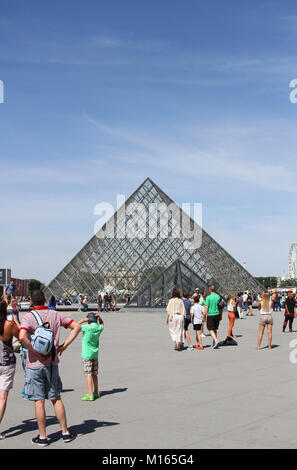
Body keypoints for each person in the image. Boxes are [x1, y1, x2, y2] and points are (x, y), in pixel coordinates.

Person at [19, 289, 81, 446]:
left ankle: (42, 437)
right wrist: (64, 346)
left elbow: (21, 336)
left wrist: (33, 351)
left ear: (31, 302)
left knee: (39, 401)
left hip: (34, 365)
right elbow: (76, 327)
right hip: (52, 364)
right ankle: (65, 433)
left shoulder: (28, 317)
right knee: (56, 398)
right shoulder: (55, 314)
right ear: (46, 299)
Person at [0, 300, 20, 439]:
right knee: (2, 398)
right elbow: (21, 337)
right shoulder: (9, 324)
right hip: (6, 361)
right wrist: (16, 322)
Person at [78, 312, 104, 401]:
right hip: (95, 353)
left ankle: (90, 394)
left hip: (86, 354)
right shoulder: (98, 328)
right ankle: (96, 392)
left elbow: (75, 326)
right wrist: (99, 317)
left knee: (88, 374)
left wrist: (82, 320)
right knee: (94, 373)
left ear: (88, 320)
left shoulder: (86, 327)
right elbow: (102, 324)